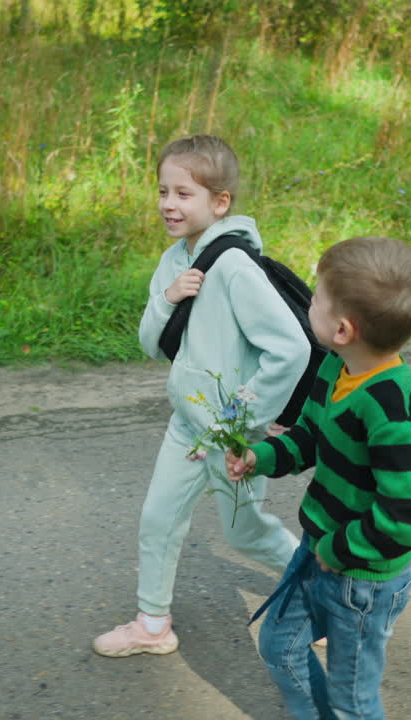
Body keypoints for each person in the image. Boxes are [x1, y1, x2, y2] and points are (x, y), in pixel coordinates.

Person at [93, 135, 312, 658]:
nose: (169, 204)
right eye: (163, 191)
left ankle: (318, 594)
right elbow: (151, 344)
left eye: (184, 194)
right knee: (157, 519)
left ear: (220, 203)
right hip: (186, 424)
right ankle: (152, 625)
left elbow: (292, 348)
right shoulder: (173, 261)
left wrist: (238, 420)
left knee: (247, 534)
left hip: (234, 436)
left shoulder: (235, 267)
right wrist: (169, 300)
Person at [225, 235, 411, 719]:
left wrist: (339, 550)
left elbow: (409, 512)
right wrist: (261, 456)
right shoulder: (335, 366)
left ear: (343, 328)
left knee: (353, 701)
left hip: (361, 581)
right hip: (320, 546)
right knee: (280, 648)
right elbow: (309, 435)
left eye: (317, 297)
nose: (310, 300)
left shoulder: (389, 410)